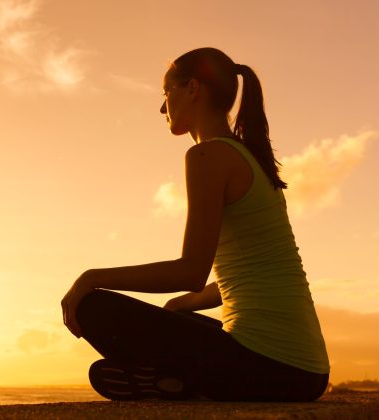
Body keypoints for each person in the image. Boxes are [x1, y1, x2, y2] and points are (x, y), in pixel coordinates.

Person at [60, 47, 330, 402]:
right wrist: (182, 306)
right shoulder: (250, 157)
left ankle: (175, 380)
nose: (161, 107)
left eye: (165, 93)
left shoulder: (208, 156)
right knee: (180, 322)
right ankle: (173, 381)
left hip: (272, 367)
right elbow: (245, 276)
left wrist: (90, 277)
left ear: (192, 88)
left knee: (90, 305)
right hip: (308, 371)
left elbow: (190, 271)